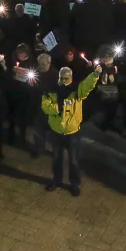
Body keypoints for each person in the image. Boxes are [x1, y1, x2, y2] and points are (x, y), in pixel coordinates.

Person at [40, 63, 101, 196]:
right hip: (56, 131)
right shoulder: (51, 90)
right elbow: (45, 107)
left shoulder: (76, 90)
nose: (64, 81)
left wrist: (95, 75)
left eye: (67, 78)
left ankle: (74, 184)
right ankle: (56, 180)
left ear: (71, 78)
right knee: (57, 158)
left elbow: (87, 85)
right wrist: (58, 107)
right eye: (62, 78)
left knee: (74, 160)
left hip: (72, 132)